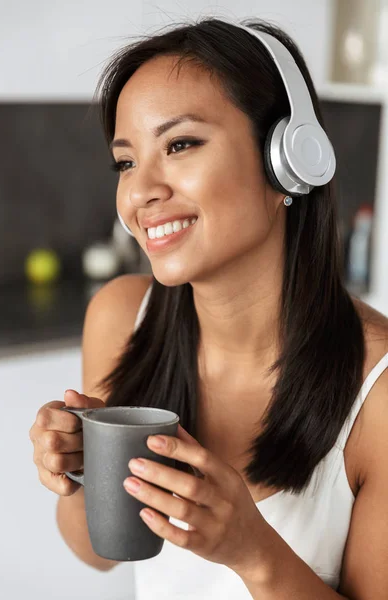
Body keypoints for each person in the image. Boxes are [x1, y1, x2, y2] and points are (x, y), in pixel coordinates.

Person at [29, 17, 388, 599]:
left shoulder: (379, 393)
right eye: (126, 161)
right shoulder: (121, 318)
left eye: (180, 144)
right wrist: (80, 474)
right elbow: (95, 554)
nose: (141, 189)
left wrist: (253, 552)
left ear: (288, 163)